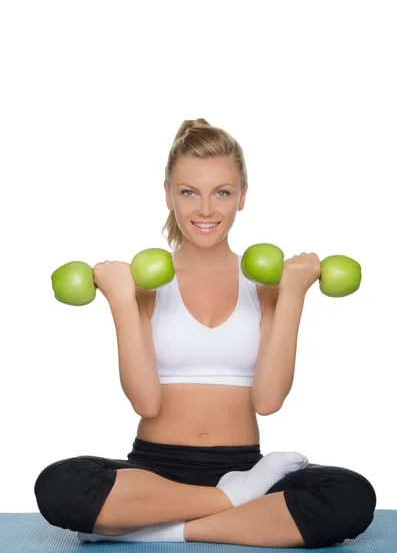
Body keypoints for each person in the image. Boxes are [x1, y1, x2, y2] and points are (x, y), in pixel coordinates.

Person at [34, 119, 376, 549]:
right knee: (60, 485)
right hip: (153, 475)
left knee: (350, 497)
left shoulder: (268, 285)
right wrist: (121, 301)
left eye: (223, 193)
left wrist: (293, 293)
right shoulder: (142, 283)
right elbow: (146, 402)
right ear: (168, 194)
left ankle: (160, 528)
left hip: (245, 467)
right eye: (189, 192)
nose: (206, 210)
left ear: (243, 196)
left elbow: (268, 401)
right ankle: (229, 503)